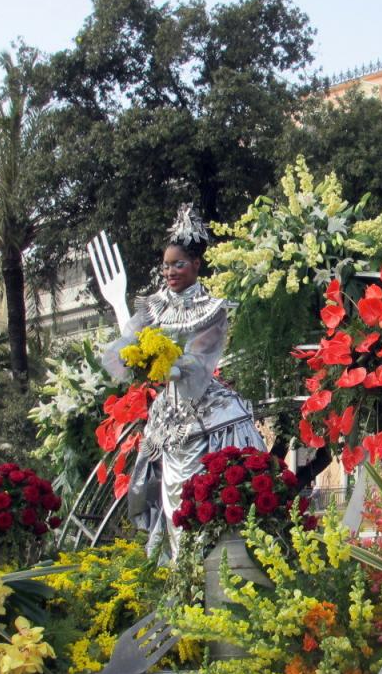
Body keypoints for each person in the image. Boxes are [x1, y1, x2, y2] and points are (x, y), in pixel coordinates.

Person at [103, 207, 264, 559]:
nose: (170, 272)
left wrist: (165, 363)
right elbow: (128, 342)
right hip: (168, 414)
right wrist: (138, 353)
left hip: (206, 411)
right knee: (164, 494)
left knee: (200, 494)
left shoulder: (212, 308)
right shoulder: (153, 305)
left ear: (195, 265)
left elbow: (199, 360)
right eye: (165, 266)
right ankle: (179, 573)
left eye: (178, 264)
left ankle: (206, 569)